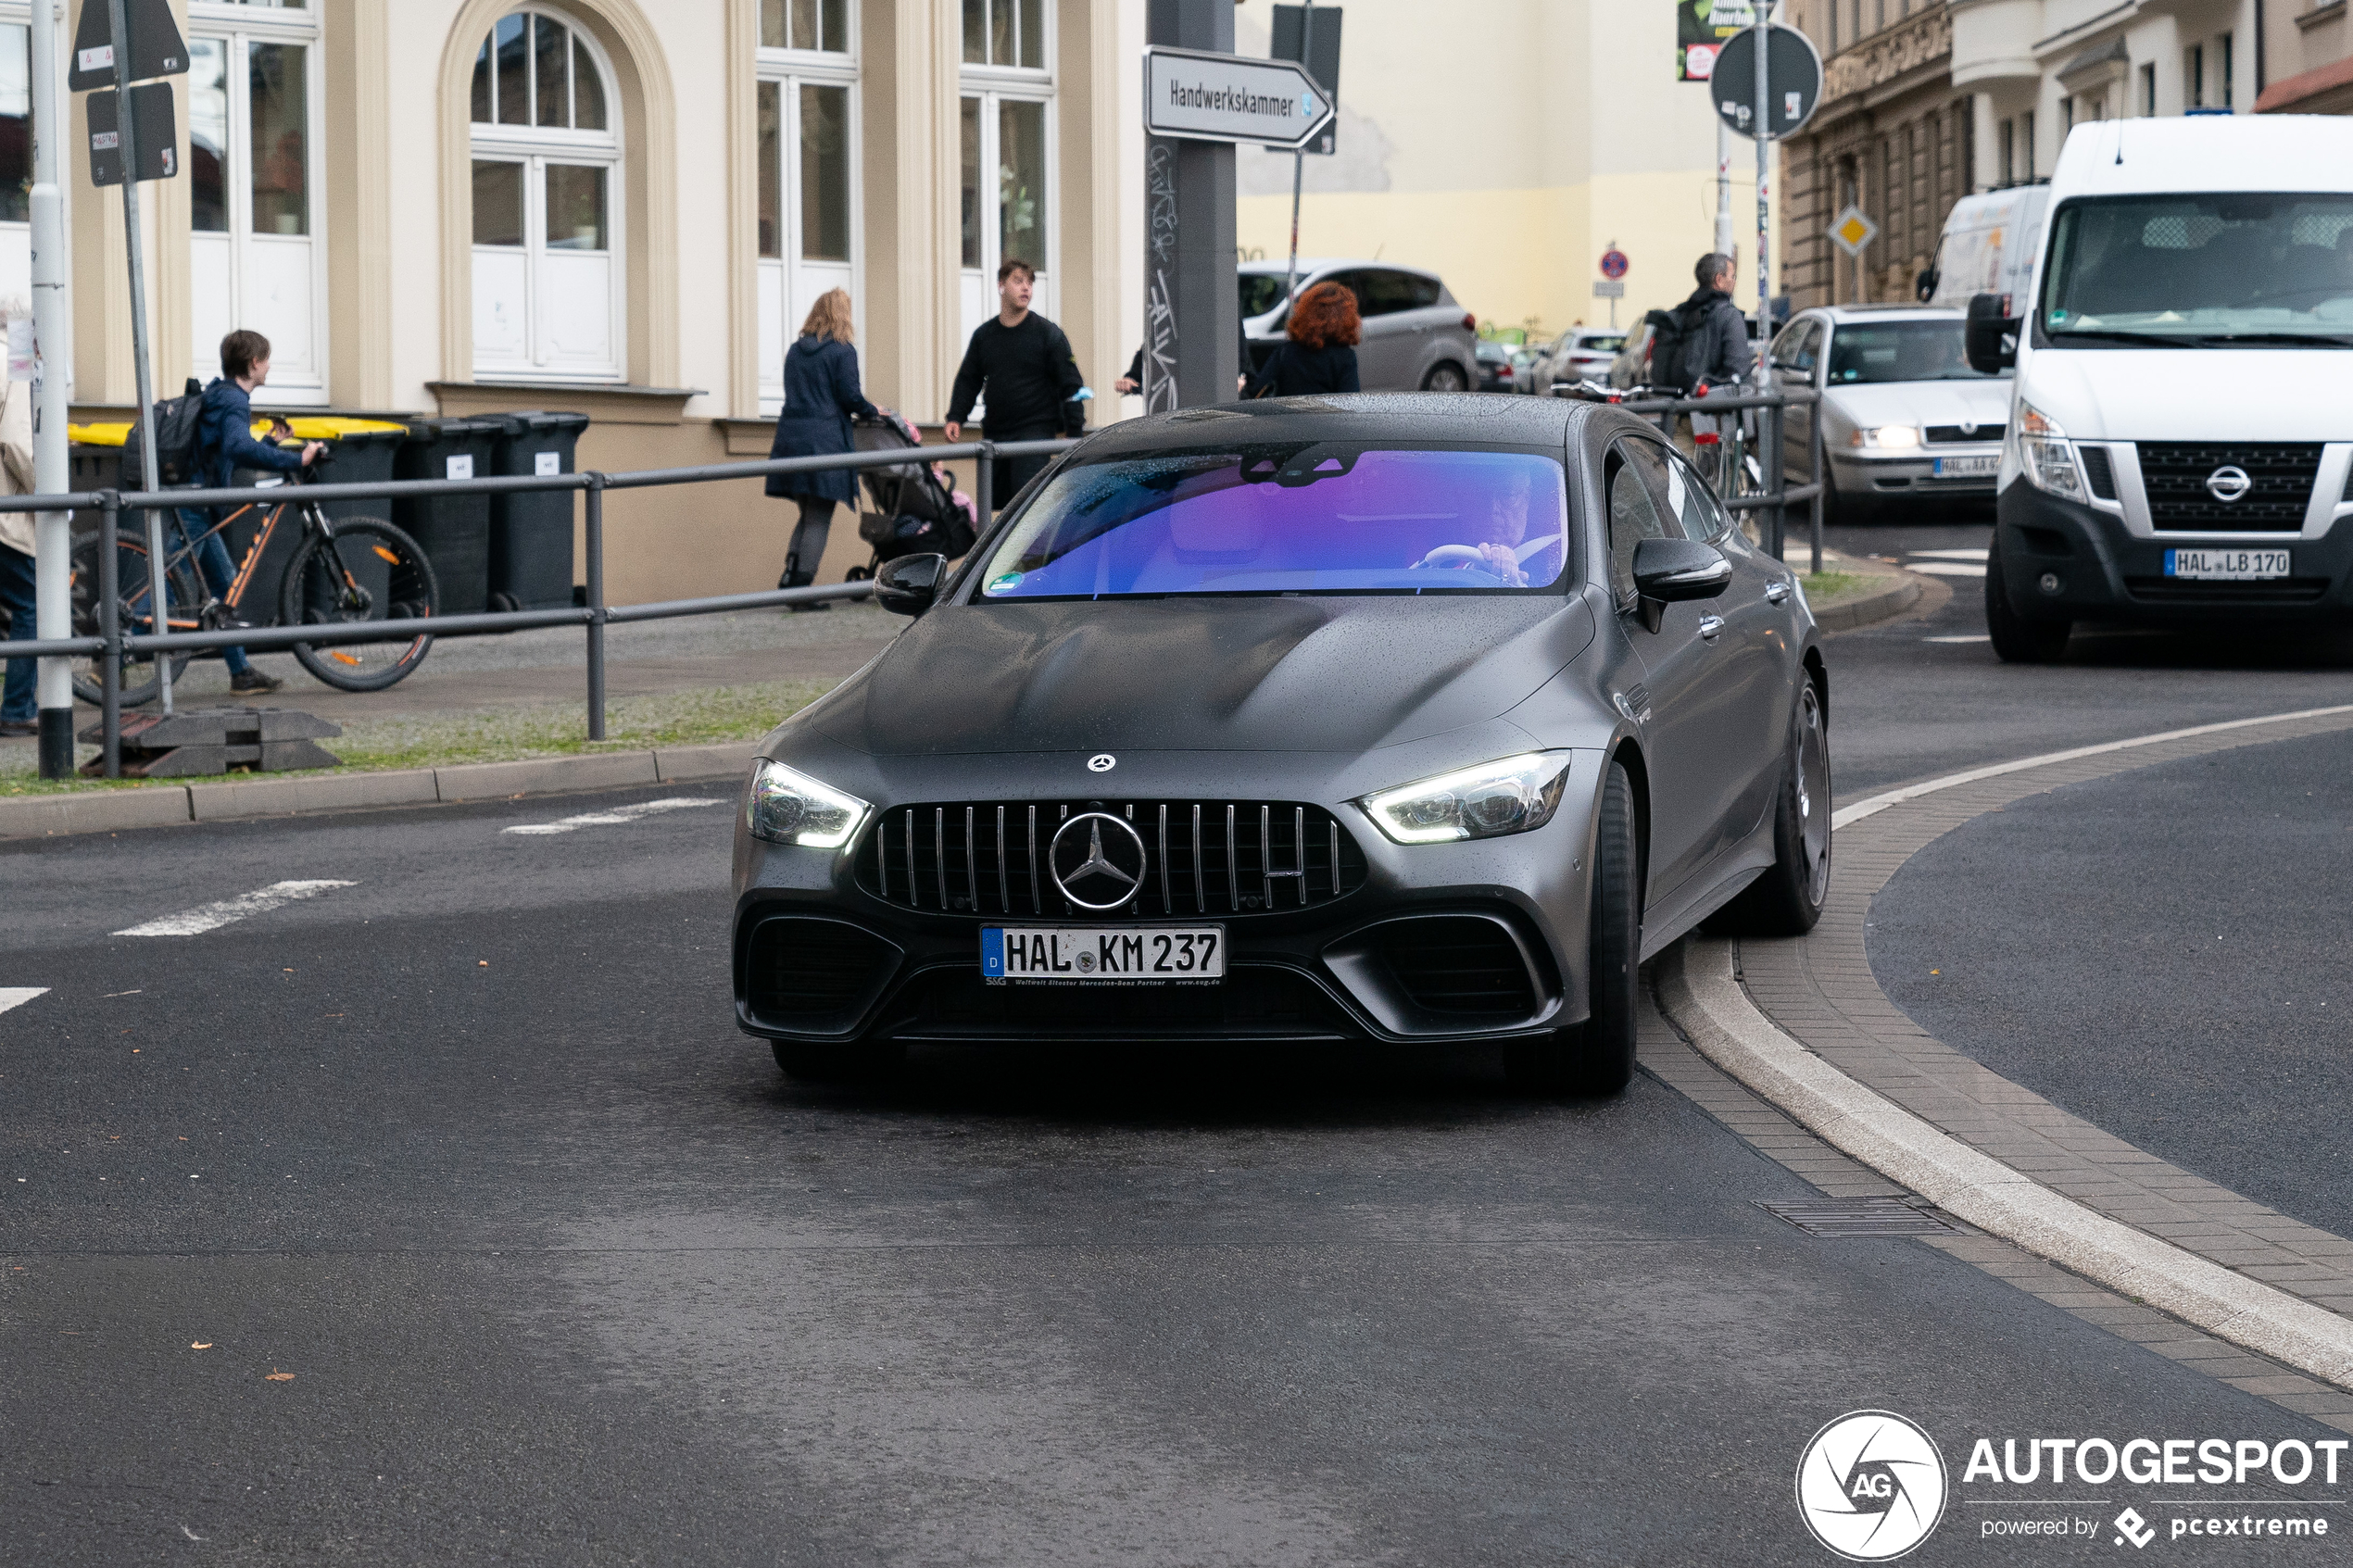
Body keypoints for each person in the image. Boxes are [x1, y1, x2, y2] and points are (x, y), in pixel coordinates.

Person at [180, 329, 321, 695]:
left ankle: (241, 673)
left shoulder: (222, 395)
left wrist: (271, 442)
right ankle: (111, 654)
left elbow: (228, 449)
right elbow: (239, 447)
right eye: (267, 359)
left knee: (226, 587)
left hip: (199, 502)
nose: (269, 366)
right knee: (170, 582)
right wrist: (296, 458)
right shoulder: (234, 401)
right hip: (195, 505)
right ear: (254, 363)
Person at [765, 288, 878, 611]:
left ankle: (790, 578)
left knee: (806, 514)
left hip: (791, 440)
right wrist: (873, 411)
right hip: (825, 441)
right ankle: (800, 590)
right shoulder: (843, 352)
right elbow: (850, 397)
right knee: (819, 518)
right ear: (842, 314)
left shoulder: (795, 352)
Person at [944, 259, 1085, 513]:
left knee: (1027, 509)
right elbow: (969, 378)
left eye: (1030, 283)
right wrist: (956, 417)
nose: (1026, 288)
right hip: (996, 433)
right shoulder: (984, 336)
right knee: (996, 509)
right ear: (1001, 285)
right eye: (1018, 281)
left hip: (1034, 434)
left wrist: (1074, 435)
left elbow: (1071, 384)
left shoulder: (1048, 333)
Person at [0, 313, 36, 738]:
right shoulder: (17, 363)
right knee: (33, 602)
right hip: (6, 507)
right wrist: (51, 493)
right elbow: (18, 441)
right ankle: (17, 708)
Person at [1249, 282, 1362, 397]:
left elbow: (1259, 388)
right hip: (1325, 415)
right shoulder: (1345, 357)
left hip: (1287, 415)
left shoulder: (1286, 351)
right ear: (1346, 318)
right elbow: (1350, 402)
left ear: (1305, 312)